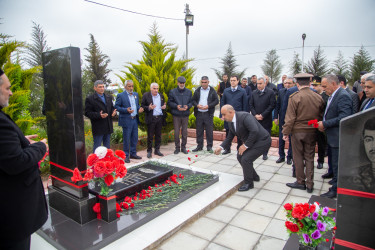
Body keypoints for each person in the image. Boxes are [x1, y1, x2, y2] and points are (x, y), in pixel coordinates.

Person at [0, 69, 49, 249]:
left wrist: (20, 142)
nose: (11, 92)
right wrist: (40, 146)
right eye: (7, 88)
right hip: (12, 216)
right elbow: (15, 162)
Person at [282, 73, 325, 193]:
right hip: (312, 131)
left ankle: (300, 181)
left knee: (298, 157)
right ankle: (310, 184)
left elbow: (290, 118)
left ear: (297, 84)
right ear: (310, 83)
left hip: (298, 131)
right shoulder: (318, 97)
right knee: (310, 157)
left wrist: (285, 132)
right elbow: (321, 115)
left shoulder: (295, 97)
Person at [214, 105, 271, 191]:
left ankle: (249, 183)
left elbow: (254, 130)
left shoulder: (245, 116)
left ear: (231, 112)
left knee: (246, 159)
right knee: (240, 156)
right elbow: (229, 137)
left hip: (263, 141)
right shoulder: (231, 122)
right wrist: (221, 147)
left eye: (224, 114)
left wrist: (245, 145)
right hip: (253, 142)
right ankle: (254, 176)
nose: (223, 117)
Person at [318, 74, 352, 198]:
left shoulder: (343, 96)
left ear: (333, 84)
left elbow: (344, 117)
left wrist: (325, 123)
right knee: (334, 162)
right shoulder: (333, 95)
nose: (323, 89)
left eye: (325, 86)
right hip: (332, 135)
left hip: (338, 136)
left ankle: (335, 190)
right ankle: (334, 180)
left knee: (338, 164)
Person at [115, 80, 144, 163]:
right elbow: (117, 106)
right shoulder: (121, 95)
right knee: (127, 139)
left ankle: (133, 153)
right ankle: (126, 156)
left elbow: (137, 105)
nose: (131, 88)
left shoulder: (136, 94)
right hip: (126, 120)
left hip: (134, 119)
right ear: (125, 87)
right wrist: (126, 110)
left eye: (132, 86)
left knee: (134, 138)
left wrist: (139, 109)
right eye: (129, 86)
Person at [84, 80, 117, 152]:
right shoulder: (90, 99)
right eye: (100, 87)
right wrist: (99, 115)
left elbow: (112, 108)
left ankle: (106, 162)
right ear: (95, 88)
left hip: (108, 126)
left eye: (103, 87)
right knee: (97, 147)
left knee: (107, 148)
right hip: (98, 127)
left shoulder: (108, 97)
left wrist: (113, 113)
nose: (102, 88)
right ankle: (96, 162)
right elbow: (87, 113)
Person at [220, 75, 248, 155]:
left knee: (240, 133)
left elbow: (245, 104)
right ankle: (227, 148)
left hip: (239, 116)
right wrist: (222, 114)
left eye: (234, 80)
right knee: (228, 132)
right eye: (231, 80)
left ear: (238, 81)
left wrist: (245, 116)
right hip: (228, 116)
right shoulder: (226, 91)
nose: (232, 82)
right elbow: (222, 102)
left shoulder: (242, 91)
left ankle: (239, 149)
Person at [250, 76, 276, 160]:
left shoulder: (270, 92)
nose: (258, 85)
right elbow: (251, 105)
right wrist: (255, 115)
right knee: (256, 136)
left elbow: (272, 105)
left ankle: (265, 153)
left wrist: (263, 115)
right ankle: (256, 152)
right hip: (256, 119)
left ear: (265, 83)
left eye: (260, 83)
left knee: (266, 137)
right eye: (257, 83)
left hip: (266, 119)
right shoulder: (254, 93)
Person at [191, 76, 219, 152]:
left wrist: (208, 106)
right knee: (199, 131)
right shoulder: (197, 90)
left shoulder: (212, 90)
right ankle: (199, 146)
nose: (203, 84)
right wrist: (197, 105)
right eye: (202, 82)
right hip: (199, 113)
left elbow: (216, 101)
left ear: (208, 82)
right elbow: (193, 101)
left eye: (205, 82)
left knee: (209, 131)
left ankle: (209, 147)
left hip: (208, 114)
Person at [141, 82, 167, 158]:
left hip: (159, 118)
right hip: (151, 118)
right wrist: (149, 108)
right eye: (154, 88)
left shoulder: (161, 96)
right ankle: (149, 151)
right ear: (151, 88)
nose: (156, 90)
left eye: (157, 88)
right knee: (150, 136)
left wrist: (164, 107)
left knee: (158, 135)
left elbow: (163, 105)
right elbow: (142, 105)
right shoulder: (146, 95)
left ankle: (157, 150)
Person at [168, 76, 192, 154]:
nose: (182, 84)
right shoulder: (173, 92)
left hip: (185, 115)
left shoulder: (189, 92)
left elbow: (191, 102)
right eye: (180, 83)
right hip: (176, 115)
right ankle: (177, 148)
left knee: (184, 132)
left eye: (183, 83)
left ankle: (183, 147)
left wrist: (187, 106)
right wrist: (176, 106)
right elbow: (169, 102)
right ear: (178, 83)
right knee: (176, 132)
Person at [273, 76, 295, 165]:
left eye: (289, 83)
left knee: (291, 139)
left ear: (293, 84)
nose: (287, 85)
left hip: (292, 119)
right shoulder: (281, 91)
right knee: (281, 138)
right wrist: (275, 117)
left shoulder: (295, 92)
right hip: (282, 118)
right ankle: (281, 156)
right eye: (285, 83)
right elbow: (277, 105)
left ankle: (289, 157)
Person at [311, 76, 329, 170]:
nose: (314, 87)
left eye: (316, 85)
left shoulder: (326, 97)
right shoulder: (312, 95)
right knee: (310, 144)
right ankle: (309, 161)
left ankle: (320, 161)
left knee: (321, 144)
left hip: (321, 123)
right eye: (313, 85)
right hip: (312, 123)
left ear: (321, 86)